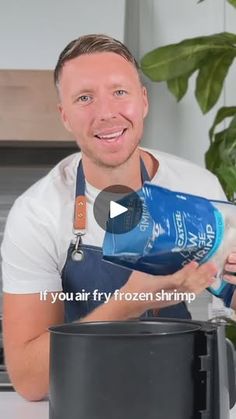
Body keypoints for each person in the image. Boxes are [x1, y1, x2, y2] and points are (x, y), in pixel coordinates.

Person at [1, 34, 236, 401]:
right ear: (64, 115)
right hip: (83, 397)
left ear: (143, 100)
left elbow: (229, 297)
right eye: (84, 98)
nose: (106, 112)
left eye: (119, 92)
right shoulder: (38, 215)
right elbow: (30, 380)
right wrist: (128, 303)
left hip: (177, 392)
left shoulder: (197, 187)